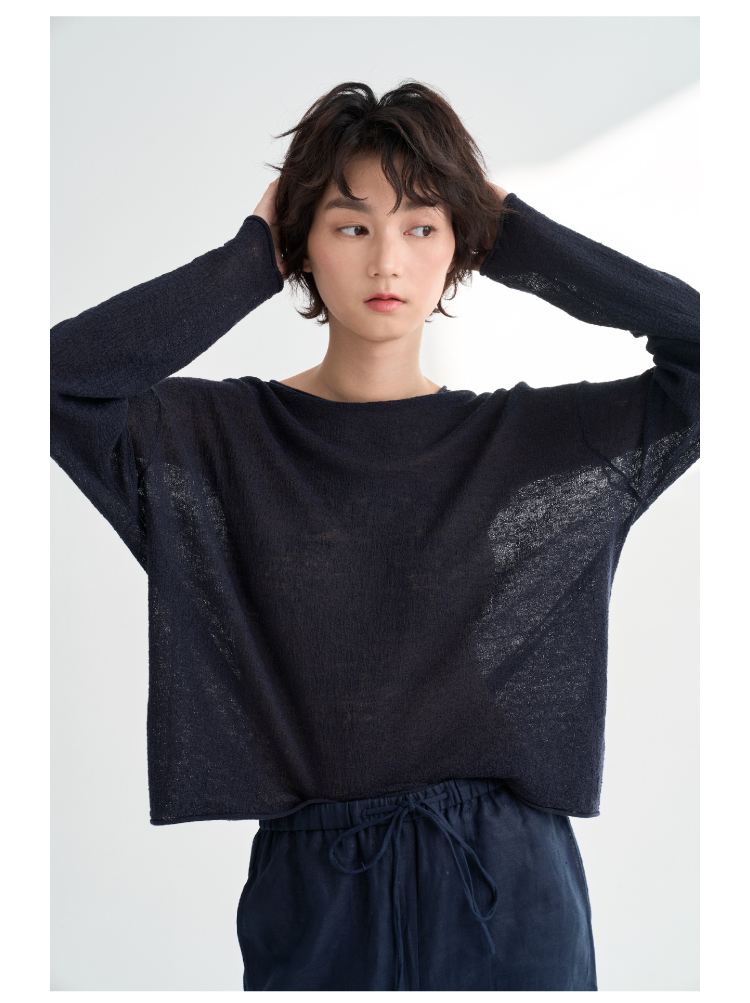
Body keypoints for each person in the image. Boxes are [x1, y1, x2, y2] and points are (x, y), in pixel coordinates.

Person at [50, 81, 699, 992]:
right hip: (317, 893)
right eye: (352, 225)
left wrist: (525, 241)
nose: (388, 260)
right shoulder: (215, 443)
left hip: (503, 887)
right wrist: (246, 262)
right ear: (302, 244)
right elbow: (53, 381)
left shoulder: (533, 447)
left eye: (423, 226)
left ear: (462, 244)